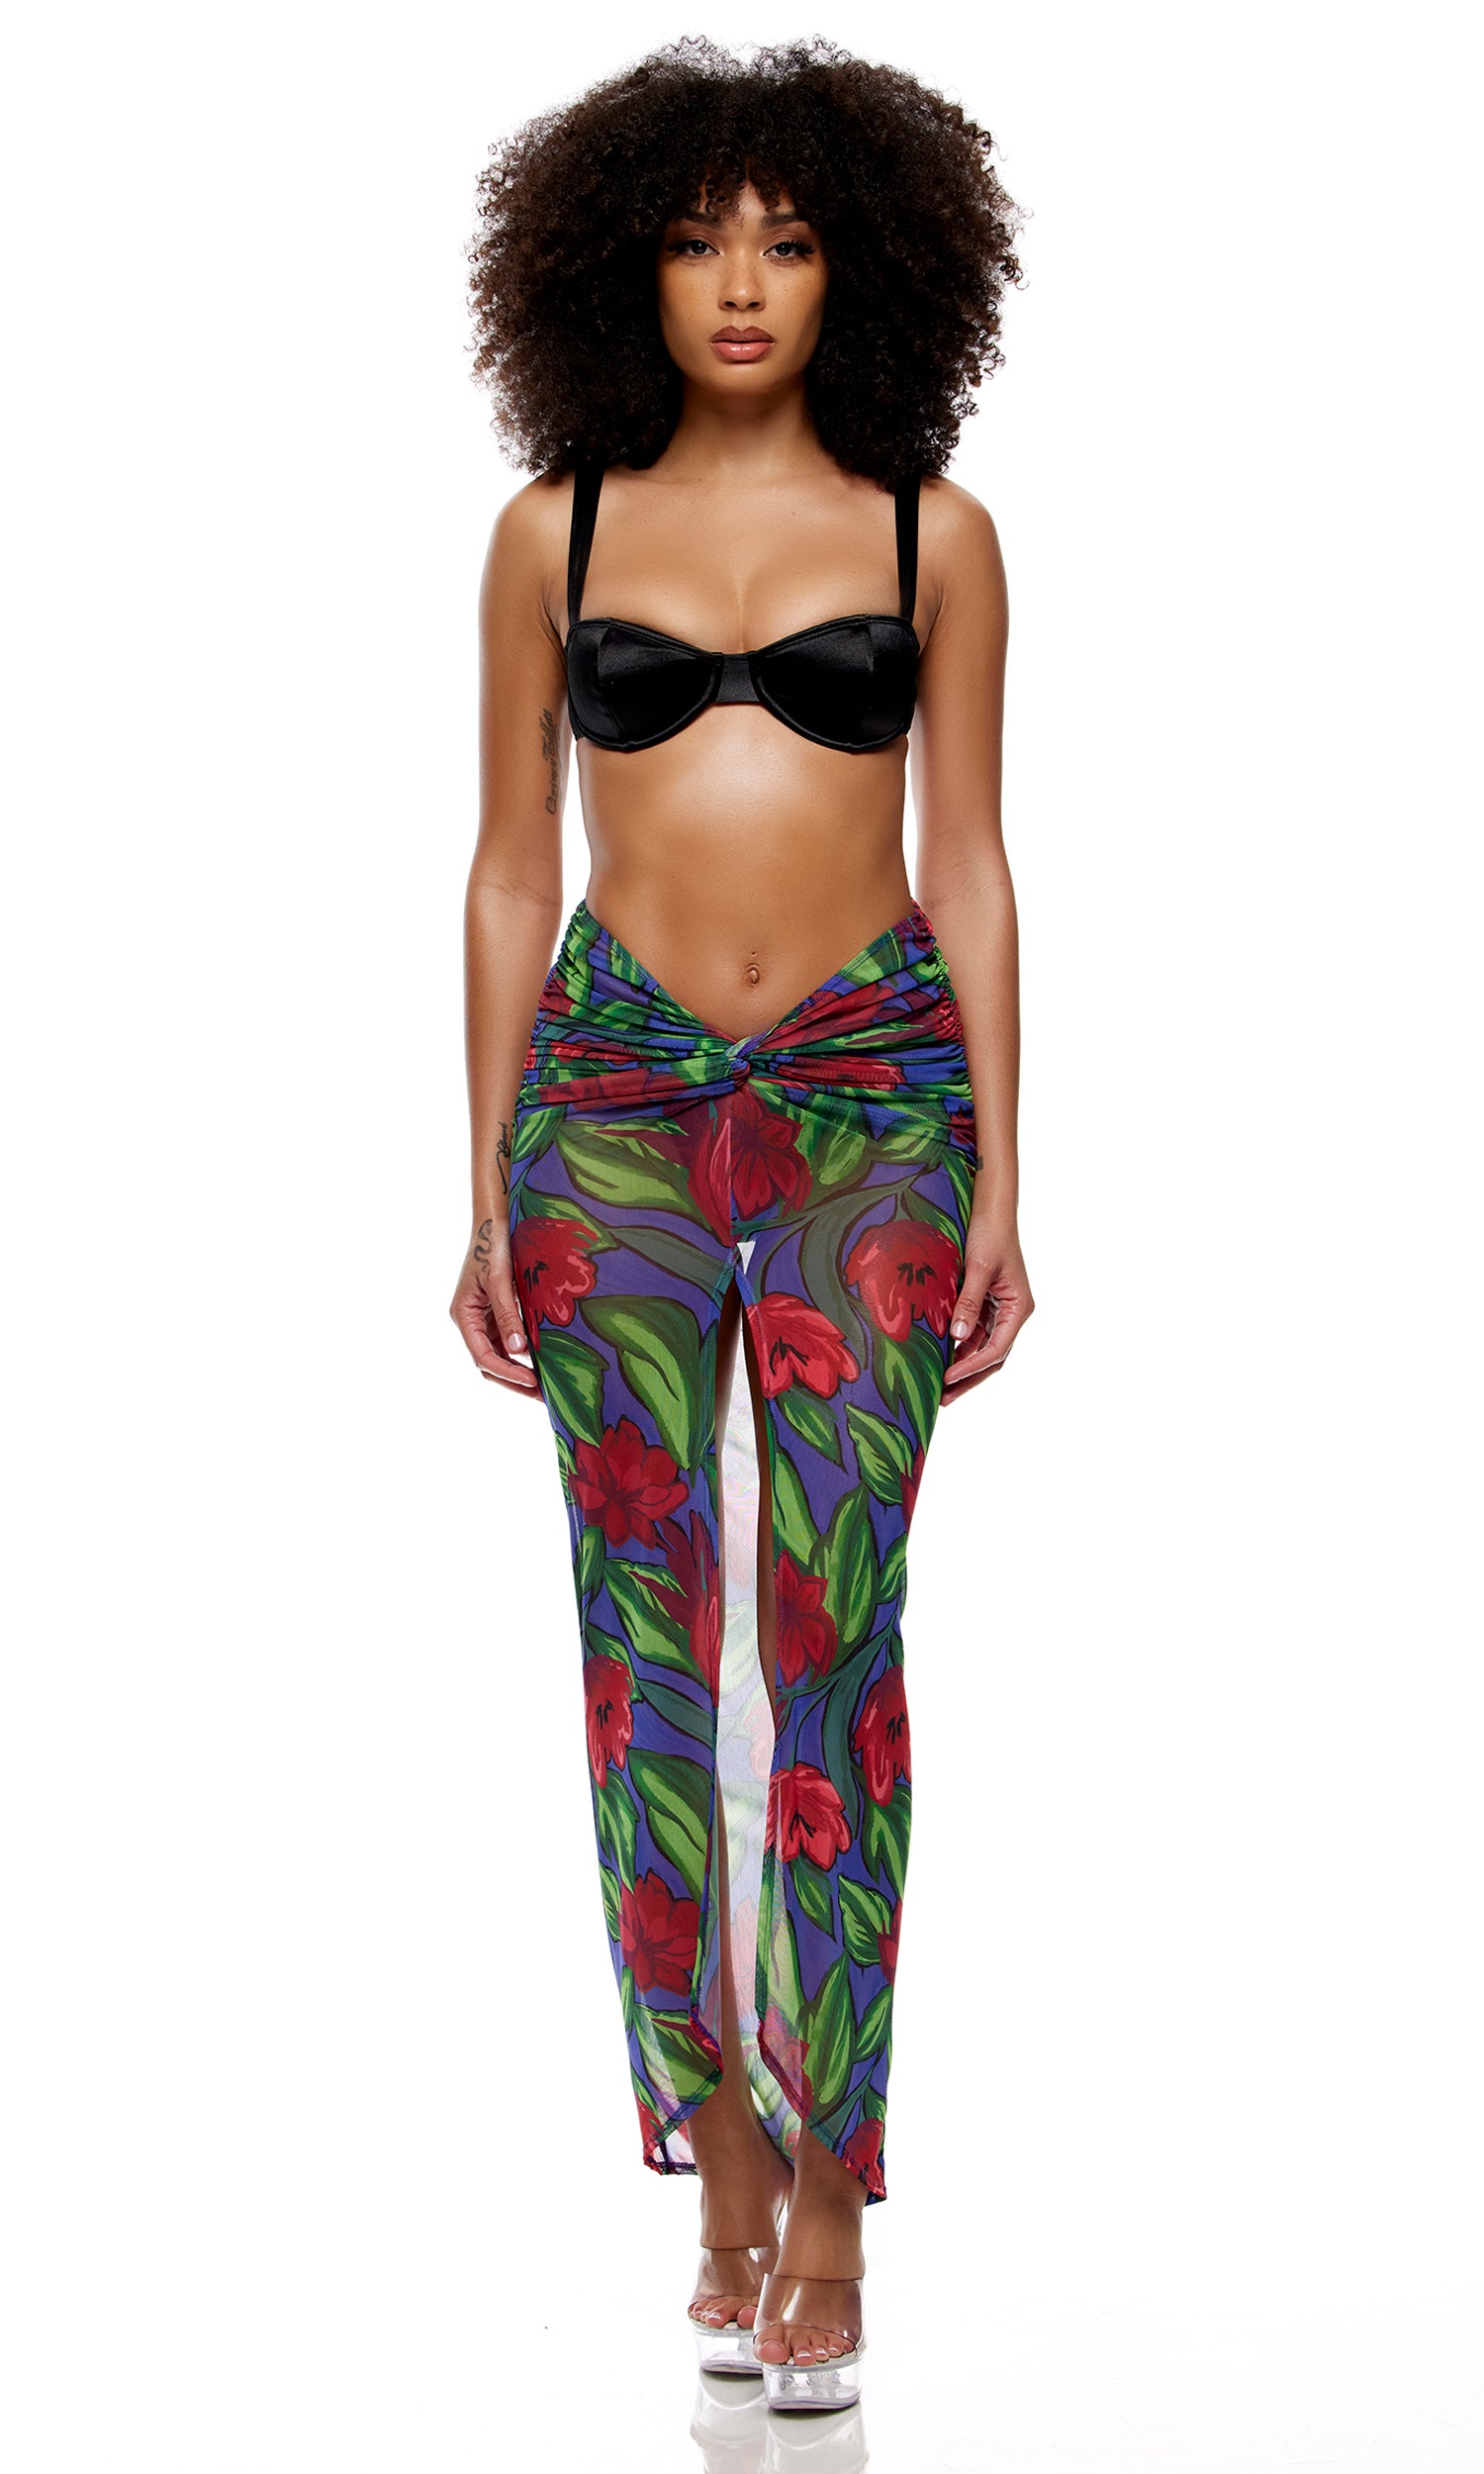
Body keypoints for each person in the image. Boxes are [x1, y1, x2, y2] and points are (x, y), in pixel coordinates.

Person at [450, 36, 1032, 2410]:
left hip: (874, 1097)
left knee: (837, 1635)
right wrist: (480, 1174)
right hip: (606, 1107)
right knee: (646, 1643)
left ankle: (831, 2193)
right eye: (697, 239)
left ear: (866, 264)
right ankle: (714, 2153)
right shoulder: (552, 534)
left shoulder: (930, 535)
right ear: (620, 266)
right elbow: (510, 867)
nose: (742, 283)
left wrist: (1009, 1168)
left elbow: (969, 852)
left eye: (789, 239)